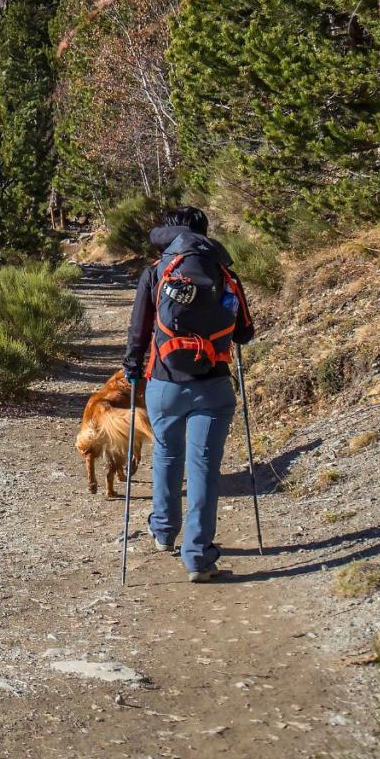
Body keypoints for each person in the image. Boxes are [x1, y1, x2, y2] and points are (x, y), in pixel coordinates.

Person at [123, 206, 254, 582]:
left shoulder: (155, 271)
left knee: (166, 453)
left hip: (164, 382)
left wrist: (133, 367)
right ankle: (198, 557)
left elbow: (138, 330)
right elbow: (244, 332)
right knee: (204, 467)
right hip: (213, 384)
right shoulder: (223, 271)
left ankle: (163, 532)